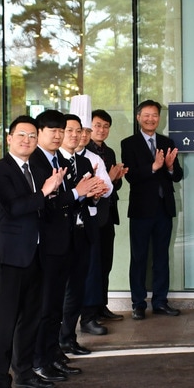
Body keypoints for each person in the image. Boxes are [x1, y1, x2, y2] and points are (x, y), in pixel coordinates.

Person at [0, 116, 67, 388]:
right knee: (6, 320)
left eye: (32, 136)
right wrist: (46, 192)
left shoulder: (34, 168)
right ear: (8, 138)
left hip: (35, 252)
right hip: (10, 255)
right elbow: (12, 207)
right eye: (21, 135)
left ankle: (23, 373)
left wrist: (56, 194)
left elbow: (42, 209)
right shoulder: (1, 169)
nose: (27, 140)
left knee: (31, 317)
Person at [31, 110, 102, 380]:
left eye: (65, 130)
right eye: (57, 130)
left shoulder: (67, 160)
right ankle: (40, 359)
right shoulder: (38, 162)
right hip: (49, 242)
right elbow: (49, 202)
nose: (62, 135)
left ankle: (53, 353)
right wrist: (76, 193)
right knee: (47, 305)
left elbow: (73, 199)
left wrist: (89, 195)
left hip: (72, 238)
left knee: (61, 301)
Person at [121, 100, 183, 319]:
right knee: (138, 257)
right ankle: (138, 303)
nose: (151, 119)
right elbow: (131, 176)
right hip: (140, 209)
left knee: (161, 257)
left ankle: (160, 301)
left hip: (163, 208)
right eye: (146, 115)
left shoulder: (167, 142)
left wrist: (169, 167)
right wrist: (154, 167)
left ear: (160, 117)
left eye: (155, 115)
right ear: (138, 117)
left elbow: (178, 176)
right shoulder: (128, 143)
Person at [60, 114, 113, 346]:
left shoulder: (85, 162)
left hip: (84, 229)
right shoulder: (52, 162)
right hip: (61, 233)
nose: (76, 135)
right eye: (69, 130)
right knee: (61, 289)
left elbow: (97, 192)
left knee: (81, 284)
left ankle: (70, 338)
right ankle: (56, 342)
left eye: (79, 130)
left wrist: (92, 195)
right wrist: (79, 192)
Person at [71, 116, 118, 336]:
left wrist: (97, 191)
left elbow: (106, 188)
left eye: (84, 131)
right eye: (76, 131)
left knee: (92, 269)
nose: (81, 136)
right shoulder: (59, 158)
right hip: (63, 226)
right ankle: (65, 328)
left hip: (90, 222)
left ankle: (89, 316)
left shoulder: (91, 158)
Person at [82, 109, 128, 325]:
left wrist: (115, 179)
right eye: (97, 125)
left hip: (108, 213)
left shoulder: (108, 152)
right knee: (92, 265)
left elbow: (112, 186)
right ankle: (89, 313)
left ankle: (101, 305)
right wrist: (109, 179)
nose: (101, 130)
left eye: (106, 126)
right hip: (90, 215)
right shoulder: (84, 153)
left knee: (105, 263)